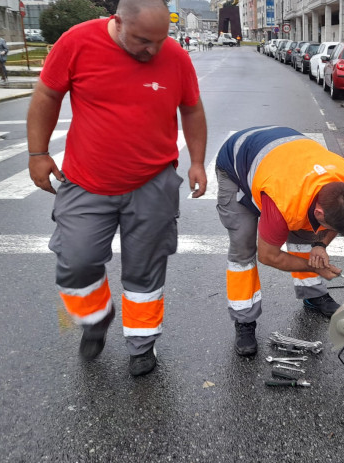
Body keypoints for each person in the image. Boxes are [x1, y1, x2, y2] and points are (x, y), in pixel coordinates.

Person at [26, 0, 208, 376]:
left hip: (153, 183)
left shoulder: (173, 55)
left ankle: (142, 344)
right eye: (144, 40)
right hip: (86, 181)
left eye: (161, 40)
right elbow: (47, 94)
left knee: (145, 270)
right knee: (76, 260)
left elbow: (191, 108)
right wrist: (38, 153)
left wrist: (196, 162)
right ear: (118, 22)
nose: (153, 50)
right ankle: (95, 317)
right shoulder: (77, 42)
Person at [215, 126, 344, 356]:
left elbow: (336, 223)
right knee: (243, 248)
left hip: (285, 157)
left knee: (308, 233)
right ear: (320, 212)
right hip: (236, 164)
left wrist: (320, 245)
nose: (329, 232)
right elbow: (268, 256)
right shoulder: (284, 201)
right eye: (329, 228)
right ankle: (244, 320)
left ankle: (313, 295)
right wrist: (313, 266)